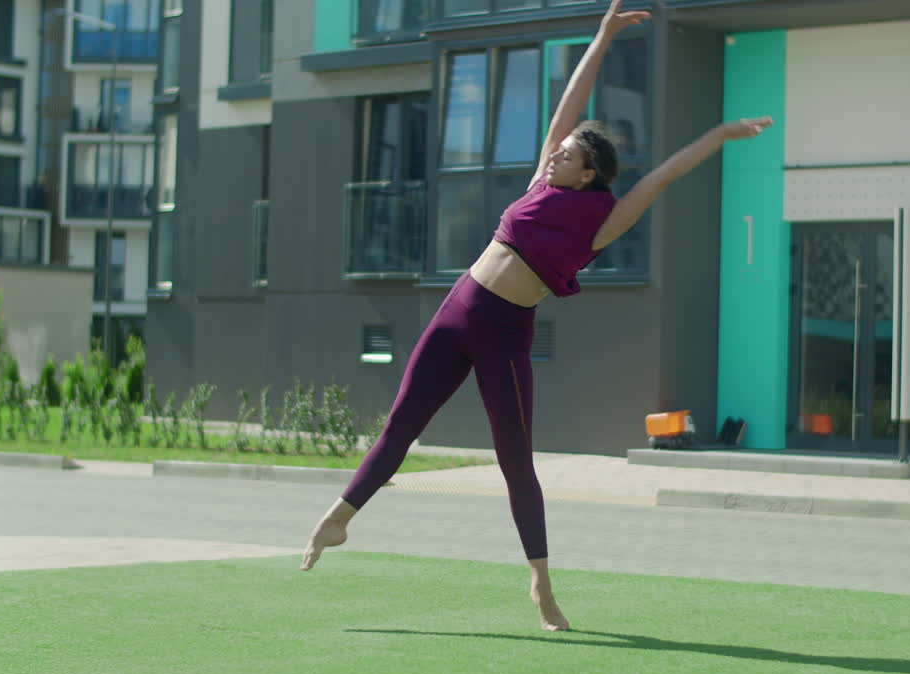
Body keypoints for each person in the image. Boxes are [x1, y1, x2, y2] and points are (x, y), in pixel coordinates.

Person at [301, 0, 772, 632]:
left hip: (504, 335)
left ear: (589, 173)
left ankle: (541, 584)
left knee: (516, 462)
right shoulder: (540, 186)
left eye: (567, 155)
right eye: (557, 152)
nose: (554, 156)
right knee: (401, 426)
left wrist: (718, 136)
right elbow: (568, 106)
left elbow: (661, 176)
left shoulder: (603, 220)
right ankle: (338, 517)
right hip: (457, 310)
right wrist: (601, 36)